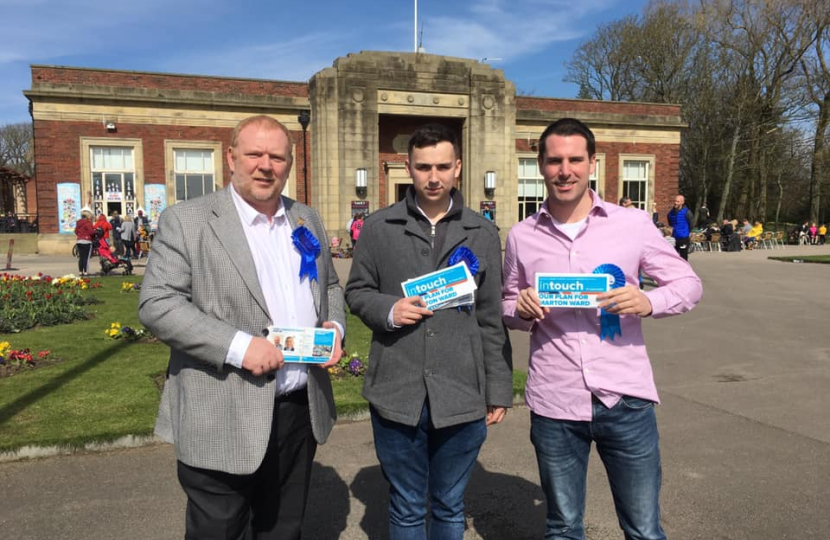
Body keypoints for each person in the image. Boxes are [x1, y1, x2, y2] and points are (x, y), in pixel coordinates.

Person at [138, 115, 345, 540]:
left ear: (289, 164)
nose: (265, 165)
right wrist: (238, 345)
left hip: (298, 411)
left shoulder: (307, 219)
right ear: (231, 158)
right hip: (221, 411)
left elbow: (331, 285)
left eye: (277, 157)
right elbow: (158, 303)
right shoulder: (188, 220)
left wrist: (335, 329)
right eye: (254, 154)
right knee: (220, 531)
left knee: (283, 529)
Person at [502, 118, 703, 540]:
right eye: (555, 160)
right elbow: (507, 304)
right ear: (540, 164)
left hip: (625, 400)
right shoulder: (522, 236)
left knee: (644, 530)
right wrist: (520, 308)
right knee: (562, 528)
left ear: (592, 163)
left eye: (575, 159)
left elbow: (688, 283)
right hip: (555, 403)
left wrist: (649, 301)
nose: (565, 170)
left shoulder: (631, 225)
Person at [345, 123, 513, 539]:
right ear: (408, 167)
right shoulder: (379, 227)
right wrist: (389, 309)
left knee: (449, 505)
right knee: (405, 507)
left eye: (442, 166)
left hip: (461, 390)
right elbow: (357, 291)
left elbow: (491, 317)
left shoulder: (482, 231)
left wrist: (497, 388)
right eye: (423, 167)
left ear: (458, 167)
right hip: (397, 388)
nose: (433, 177)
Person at [667, 194, 693, 260]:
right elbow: (670, 223)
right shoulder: (671, 213)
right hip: (674, 238)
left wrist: (689, 233)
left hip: (684, 237)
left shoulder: (687, 212)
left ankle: (684, 269)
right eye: (675, 201)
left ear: (682, 202)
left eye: (678, 201)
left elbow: (691, 224)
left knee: (683, 257)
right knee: (673, 257)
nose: (675, 203)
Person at [74, 209, 94, 276]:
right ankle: (85, 271)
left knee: (81, 257)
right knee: (86, 257)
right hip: (87, 241)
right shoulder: (88, 223)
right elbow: (91, 232)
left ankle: (80, 271)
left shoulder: (78, 223)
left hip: (79, 241)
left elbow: (76, 231)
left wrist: (80, 235)